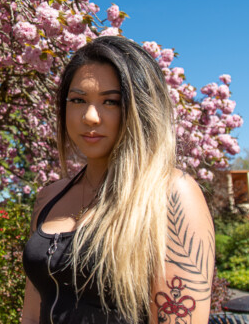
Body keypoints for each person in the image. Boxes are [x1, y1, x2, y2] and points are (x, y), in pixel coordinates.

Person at [22, 36, 215, 324]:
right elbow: (32, 312)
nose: (90, 116)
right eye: (78, 100)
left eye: (110, 102)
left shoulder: (172, 194)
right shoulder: (48, 198)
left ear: (142, 109)